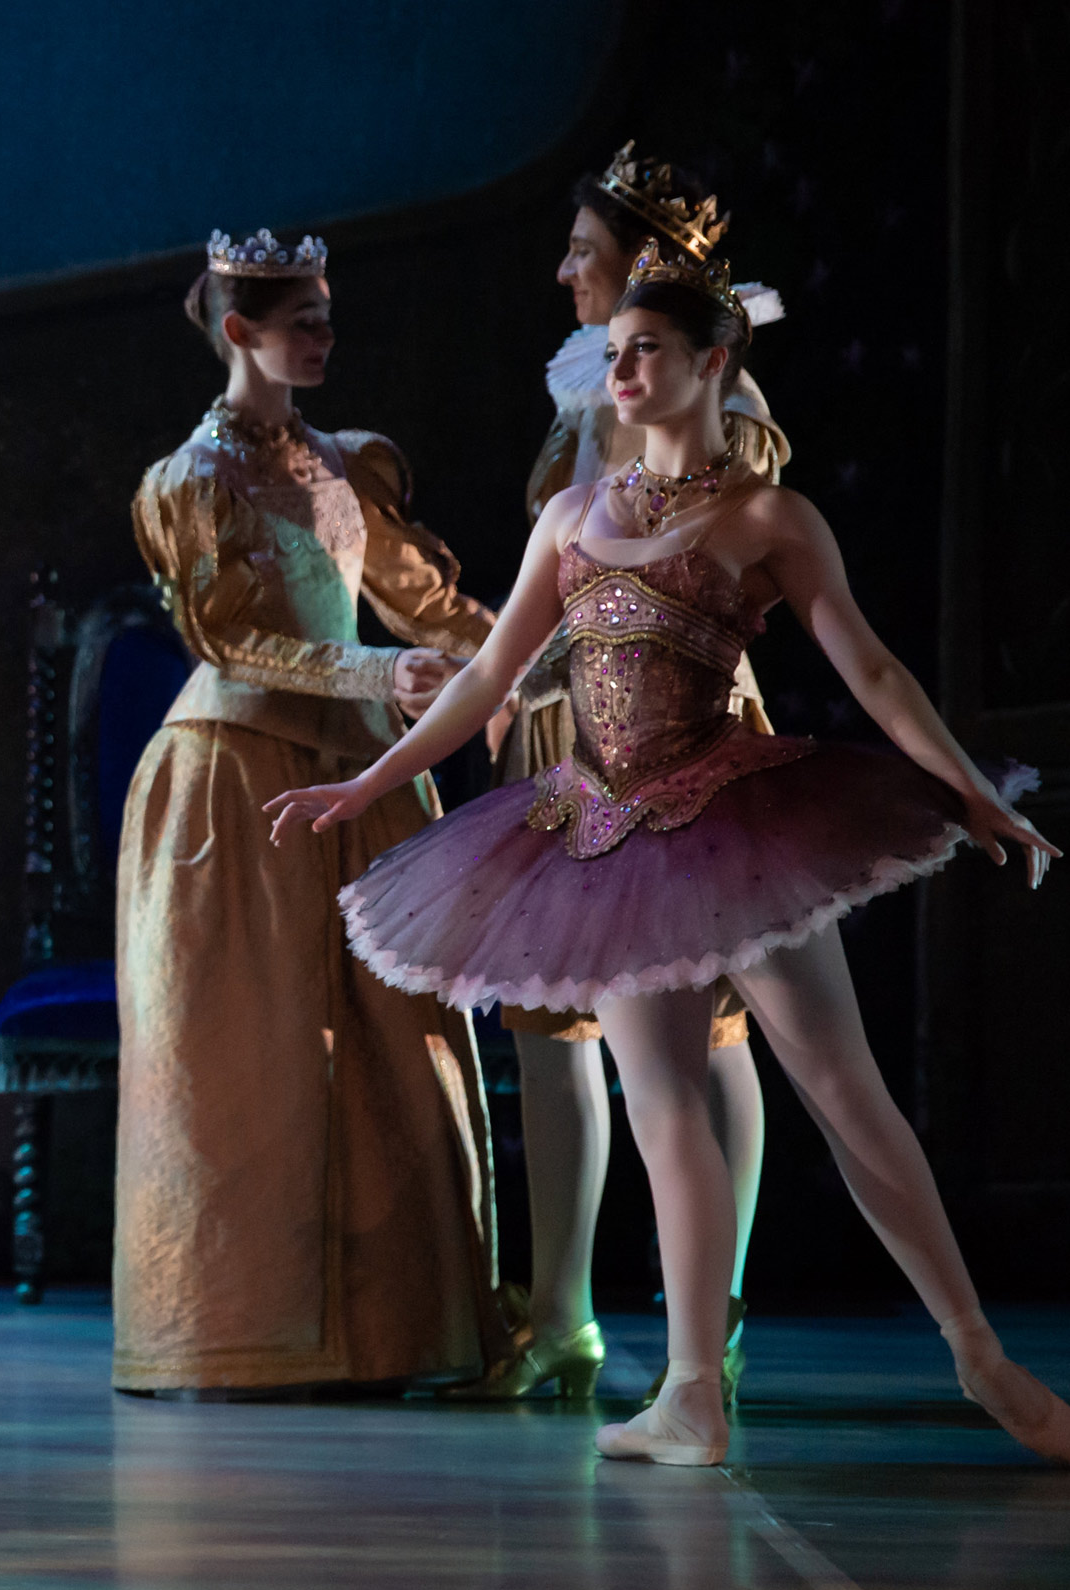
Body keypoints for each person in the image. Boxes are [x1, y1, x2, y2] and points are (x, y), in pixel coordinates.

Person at [265, 241, 1069, 1466]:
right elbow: (492, 672)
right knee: (661, 1107)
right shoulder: (568, 517)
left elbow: (872, 668)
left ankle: (978, 1353)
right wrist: (372, 776)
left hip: (736, 822)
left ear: (713, 361)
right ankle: (692, 1391)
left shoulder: (766, 518)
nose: (622, 368)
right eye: (615, 351)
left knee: (843, 1091)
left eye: (648, 350)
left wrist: (968, 788)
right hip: (603, 836)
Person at [113, 228, 510, 1397]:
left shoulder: (345, 463)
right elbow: (230, 637)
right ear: (240, 332)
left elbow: (424, 601)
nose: (325, 338)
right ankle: (231, 1328)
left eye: (329, 316)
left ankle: (388, 1334)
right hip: (234, 776)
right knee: (250, 1051)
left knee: (394, 1045)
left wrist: (535, 658)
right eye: (304, 323)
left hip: (363, 773)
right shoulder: (192, 479)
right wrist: (376, 676)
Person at [463, 143, 790, 1405]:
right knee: (558, 1021)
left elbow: (719, 565)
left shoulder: (711, 400)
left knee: (709, 1023)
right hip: (564, 726)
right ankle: (561, 1310)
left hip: (680, 728)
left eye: (584, 256)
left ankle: (717, 1303)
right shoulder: (585, 384)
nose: (563, 275)